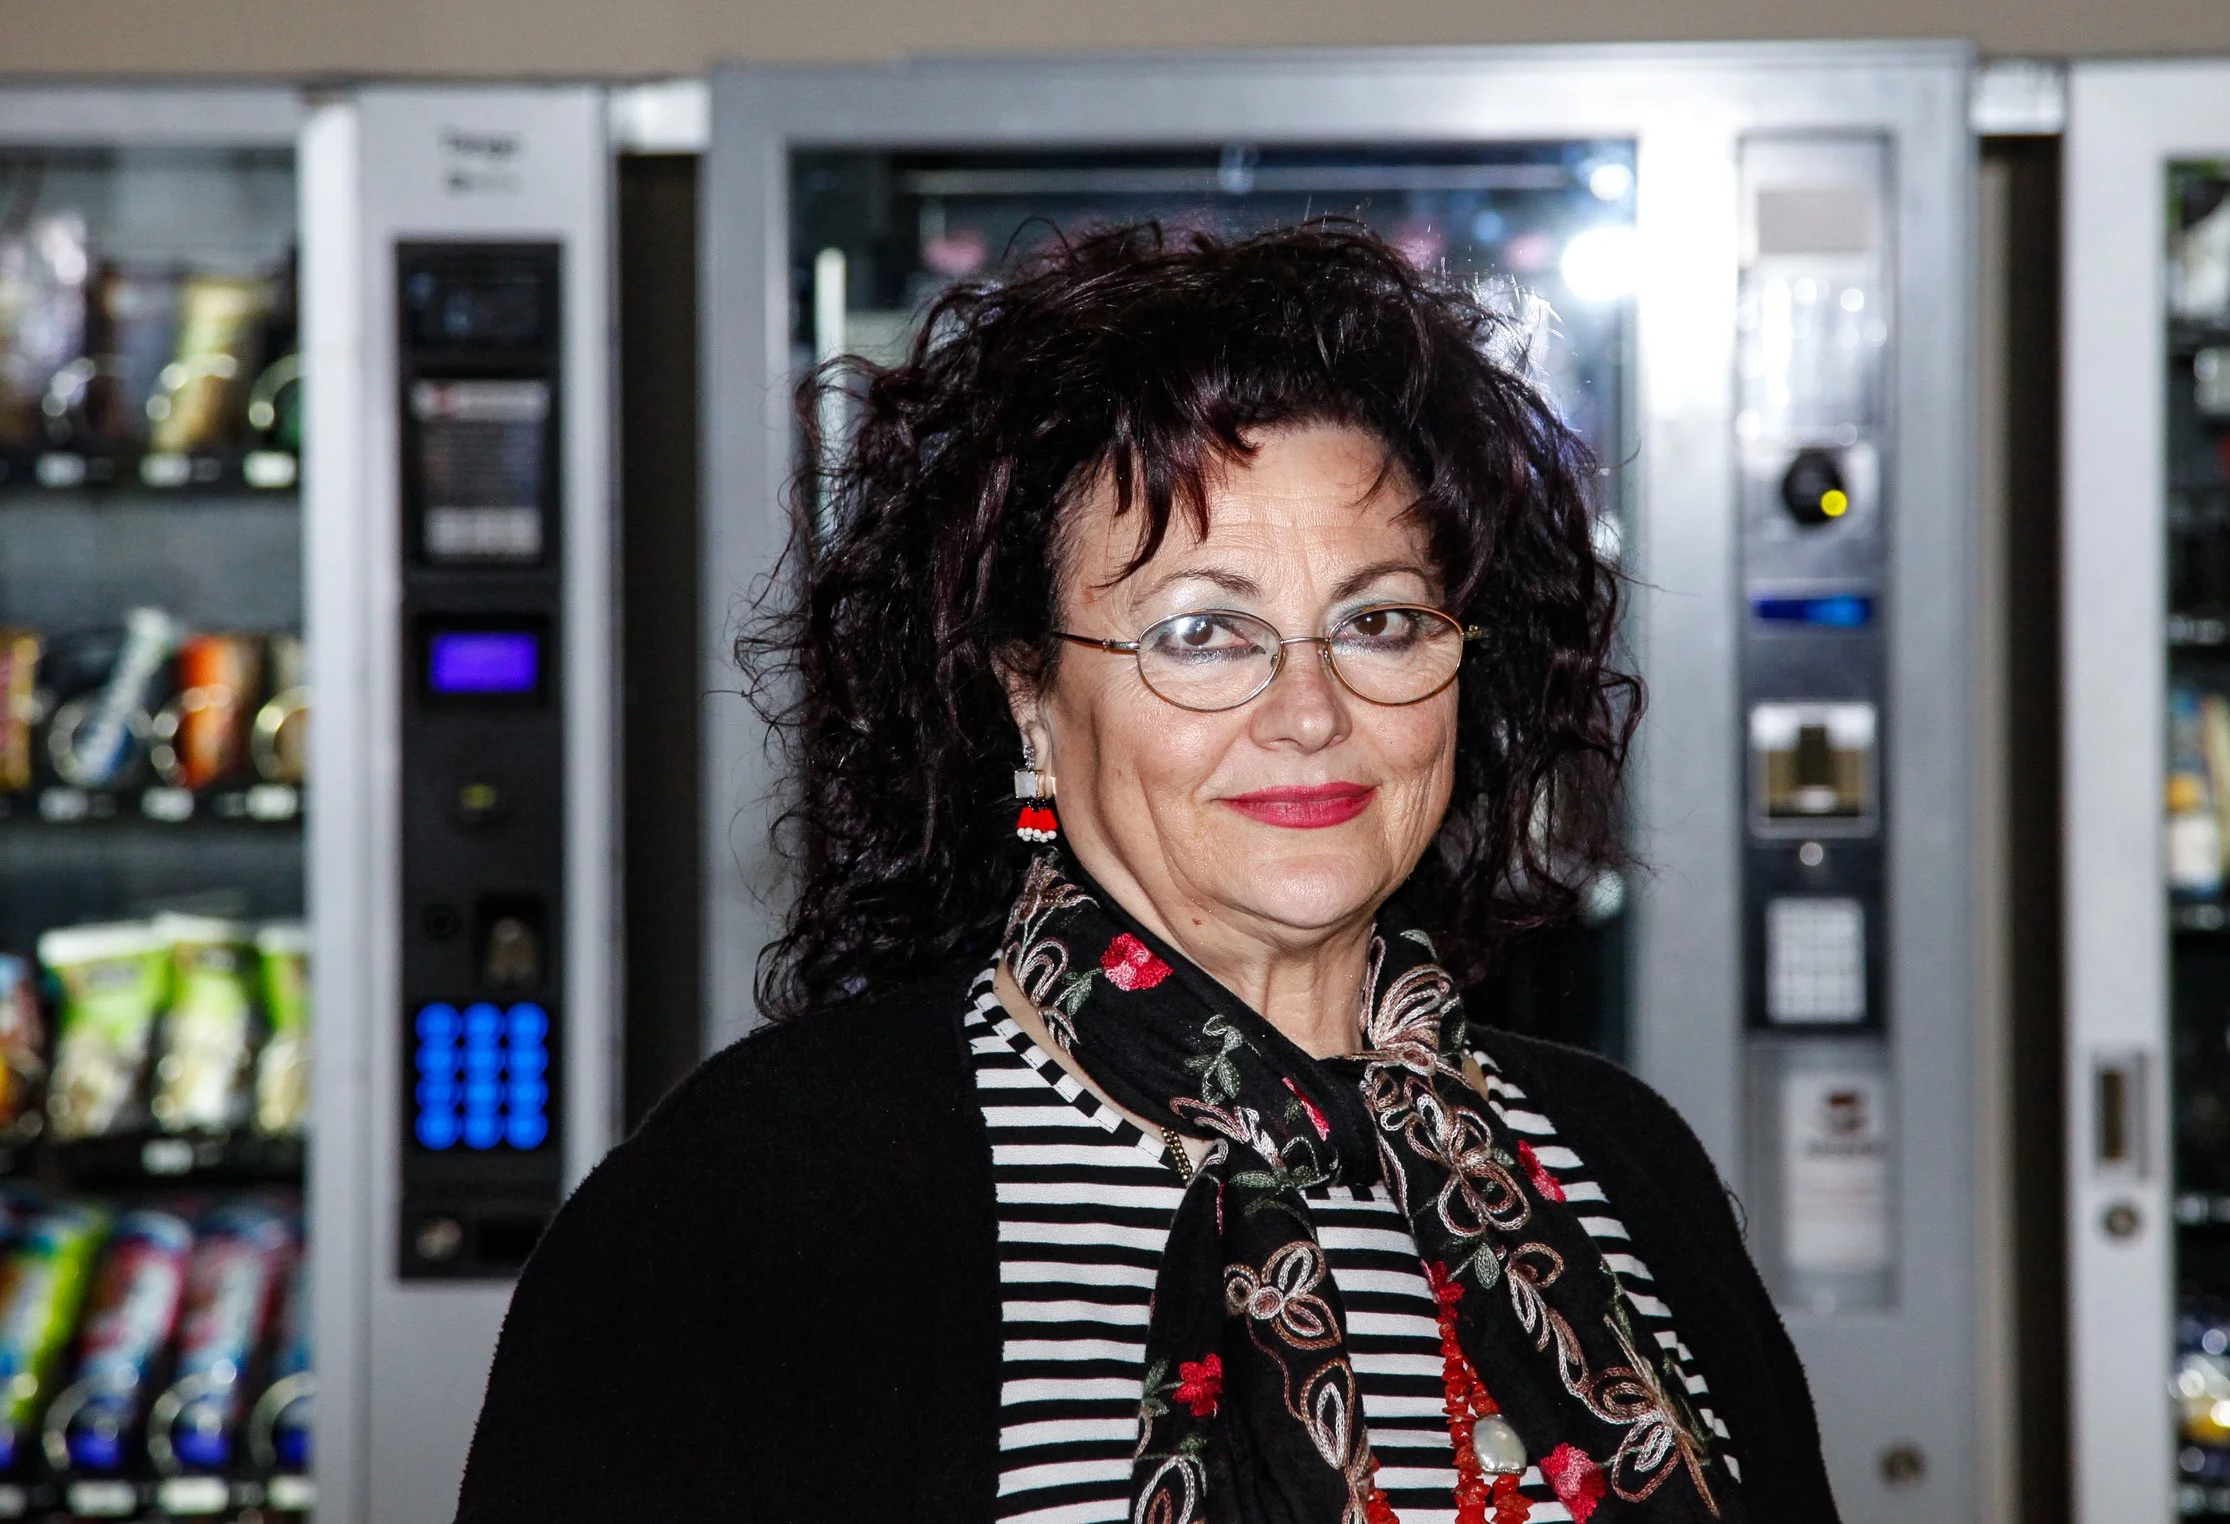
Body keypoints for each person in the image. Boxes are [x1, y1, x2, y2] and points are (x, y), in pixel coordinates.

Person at [456, 221, 1837, 1524]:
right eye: (1202, 633)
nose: (1311, 712)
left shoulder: (1621, 1163)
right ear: (1029, 700)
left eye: (1378, 621)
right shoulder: (756, 1203)